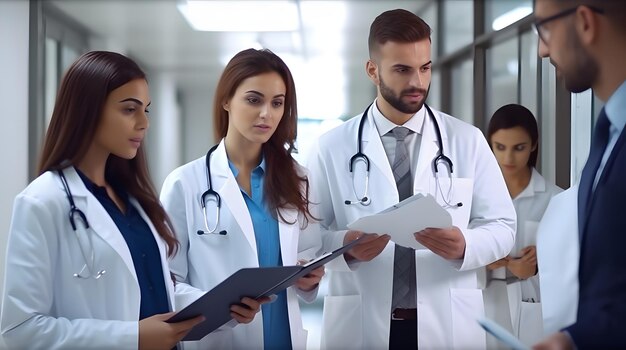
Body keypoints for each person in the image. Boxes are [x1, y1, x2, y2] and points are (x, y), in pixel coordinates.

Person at [0, 51, 262, 349]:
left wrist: (223, 305)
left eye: (146, 110)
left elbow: (154, 289)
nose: (144, 123)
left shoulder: (133, 200)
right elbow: (20, 330)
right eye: (129, 110)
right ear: (87, 111)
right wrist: (132, 338)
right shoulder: (42, 202)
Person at [307, 9, 517, 350]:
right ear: (372, 70)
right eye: (402, 69)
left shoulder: (467, 140)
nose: (418, 82)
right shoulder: (331, 147)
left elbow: (504, 227)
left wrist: (466, 246)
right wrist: (347, 245)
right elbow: (308, 241)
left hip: (448, 326)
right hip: (362, 325)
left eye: (425, 67)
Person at [160, 48, 324, 350]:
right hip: (220, 340)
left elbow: (307, 254)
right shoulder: (185, 184)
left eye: (277, 103)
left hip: (284, 340)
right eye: (253, 100)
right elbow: (168, 281)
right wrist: (220, 307)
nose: (267, 114)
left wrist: (309, 277)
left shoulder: (299, 179)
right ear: (226, 100)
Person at [532, 0, 626, 348]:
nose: (542, 49)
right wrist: (574, 340)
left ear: (585, 23)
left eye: (545, 28)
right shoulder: (609, 136)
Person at [484, 104, 562, 347]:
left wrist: (539, 267)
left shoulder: (556, 200)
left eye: (519, 148)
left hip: (533, 311)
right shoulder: (474, 198)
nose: (508, 158)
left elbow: (570, 268)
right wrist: (479, 258)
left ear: (534, 145)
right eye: (500, 147)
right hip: (484, 305)